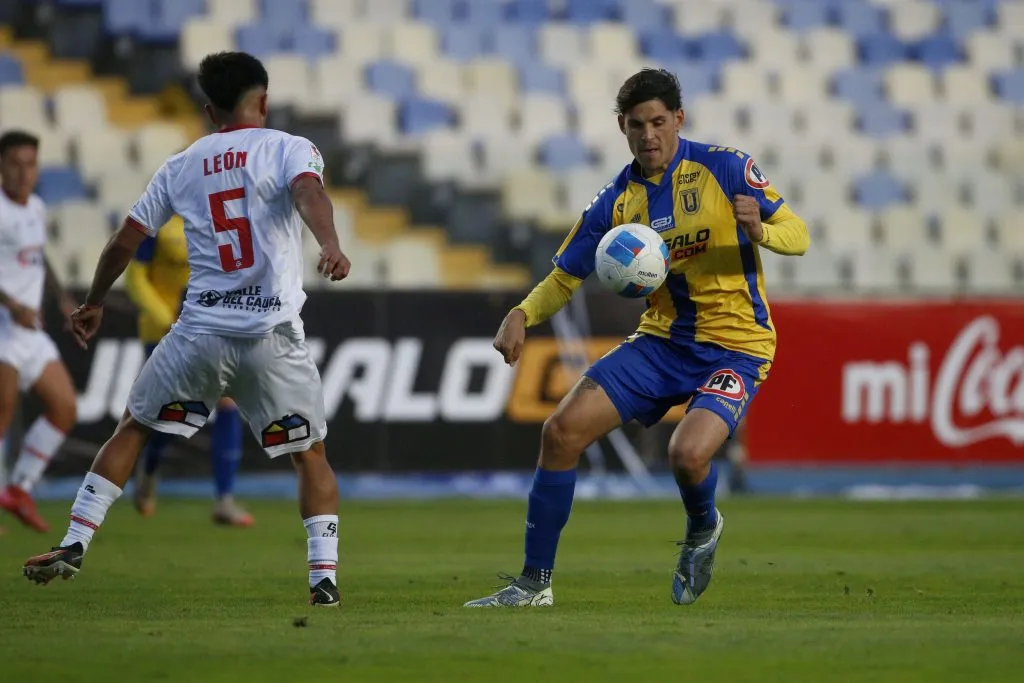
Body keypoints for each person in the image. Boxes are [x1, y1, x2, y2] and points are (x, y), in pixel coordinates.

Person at [465, 69, 809, 608]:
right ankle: (534, 584)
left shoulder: (725, 168)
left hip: (737, 344)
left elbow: (799, 235)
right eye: (635, 125)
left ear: (678, 119)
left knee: (687, 455)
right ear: (622, 128)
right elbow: (564, 277)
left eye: (658, 122)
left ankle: (703, 525)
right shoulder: (616, 202)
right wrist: (521, 314)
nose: (648, 135)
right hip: (661, 343)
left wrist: (760, 231)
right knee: (560, 433)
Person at [21, 51, 350, 608]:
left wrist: (93, 302)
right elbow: (308, 193)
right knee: (310, 454)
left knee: (133, 429)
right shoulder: (289, 148)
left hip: (199, 334)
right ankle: (323, 580)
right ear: (263, 100)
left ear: (209, 109)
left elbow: (125, 241)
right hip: (271, 334)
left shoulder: (181, 164)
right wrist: (331, 244)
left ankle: (75, 541)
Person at [125, 214, 253, 526]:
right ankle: (149, 464)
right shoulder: (159, 220)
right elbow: (135, 278)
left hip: (208, 326)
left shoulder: (220, 218)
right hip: (163, 331)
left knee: (227, 400)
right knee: (174, 414)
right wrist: (165, 317)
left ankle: (224, 499)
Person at [0, 130, 79, 533]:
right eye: (15, 164)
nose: (23, 172)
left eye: (30, 164)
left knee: (65, 408)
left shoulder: (35, 207)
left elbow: (38, 256)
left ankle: (18, 489)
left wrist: (62, 298)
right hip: (4, 326)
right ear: (1, 166)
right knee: (2, 413)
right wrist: (13, 305)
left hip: (30, 331)